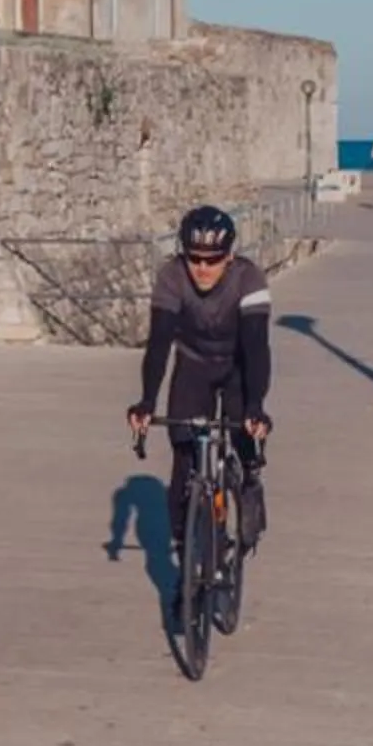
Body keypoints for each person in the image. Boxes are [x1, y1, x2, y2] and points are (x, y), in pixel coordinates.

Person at [128, 203, 275, 557]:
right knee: (183, 456)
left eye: (213, 260)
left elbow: (257, 347)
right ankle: (185, 548)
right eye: (194, 259)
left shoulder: (249, 279)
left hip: (237, 364)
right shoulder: (171, 277)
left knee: (242, 430)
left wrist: (256, 406)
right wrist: (147, 401)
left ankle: (248, 477)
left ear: (229, 256)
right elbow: (159, 343)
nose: (203, 269)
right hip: (193, 363)